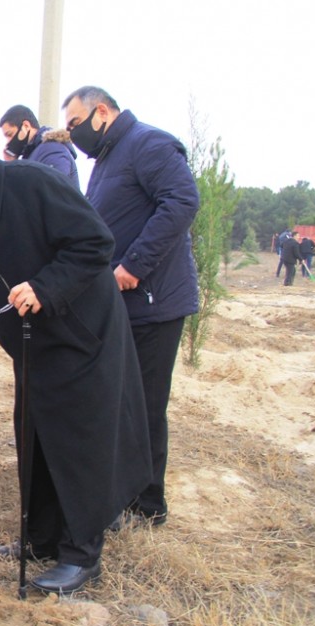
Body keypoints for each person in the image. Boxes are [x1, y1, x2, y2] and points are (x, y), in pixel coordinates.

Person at [0, 138, 151, 595]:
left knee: (79, 443)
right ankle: (38, 539)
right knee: (34, 438)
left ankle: (81, 554)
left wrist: (44, 286)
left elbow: (95, 242)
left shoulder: (33, 184)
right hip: (32, 346)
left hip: (81, 333)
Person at [63, 85, 200, 529]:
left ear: (101, 111)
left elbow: (182, 202)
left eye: (76, 124)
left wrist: (134, 266)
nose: (73, 135)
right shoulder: (106, 159)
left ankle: (148, 504)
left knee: (144, 404)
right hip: (126, 303)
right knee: (124, 402)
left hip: (155, 303)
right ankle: (125, 494)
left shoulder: (149, 144)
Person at [0, 104, 80, 189]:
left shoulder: (52, 149)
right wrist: (11, 164)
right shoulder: (33, 155)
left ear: (26, 126)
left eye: (10, 134)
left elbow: (53, 191)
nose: (8, 142)